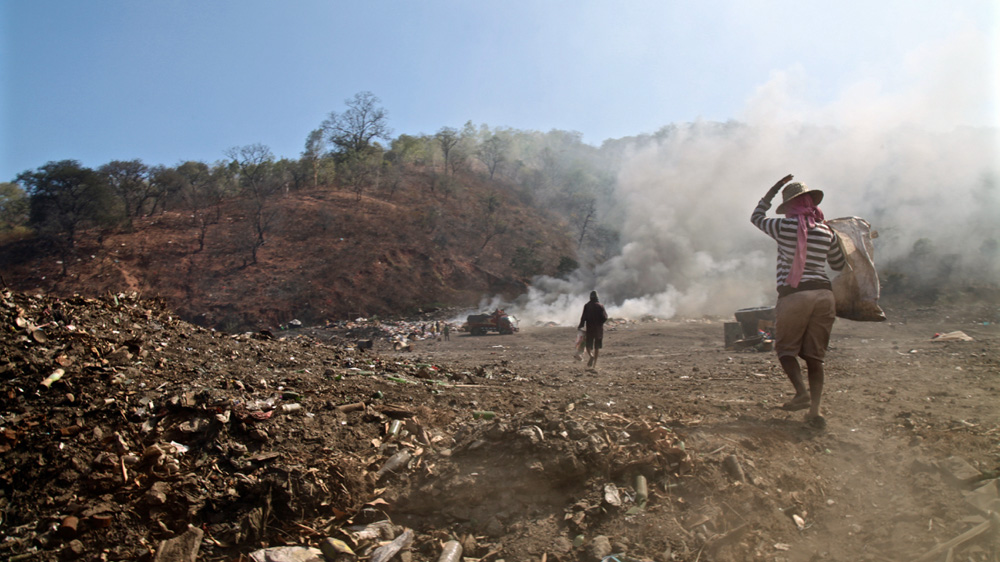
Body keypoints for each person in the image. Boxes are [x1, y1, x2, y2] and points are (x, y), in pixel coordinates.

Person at [752, 174, 846, 429]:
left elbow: (756, 218)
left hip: (795, 295)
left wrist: (770, 192)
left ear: (789, 206)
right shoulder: (827, 231)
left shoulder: (784, 227)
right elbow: (838, 264)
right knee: (815, 357)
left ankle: (801, 392)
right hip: (825, 296)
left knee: (785, 350)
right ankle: (815, 412)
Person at [578, 290, 608, 369]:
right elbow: (605, 317)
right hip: (598, 330)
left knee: (588, 345)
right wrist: (600, 323)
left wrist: (580, 326)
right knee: (597, 347)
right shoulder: (600, 306)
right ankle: (594, 365)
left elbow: (583, 317)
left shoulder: (587, 306)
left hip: (590, 329)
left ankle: (591, 356)